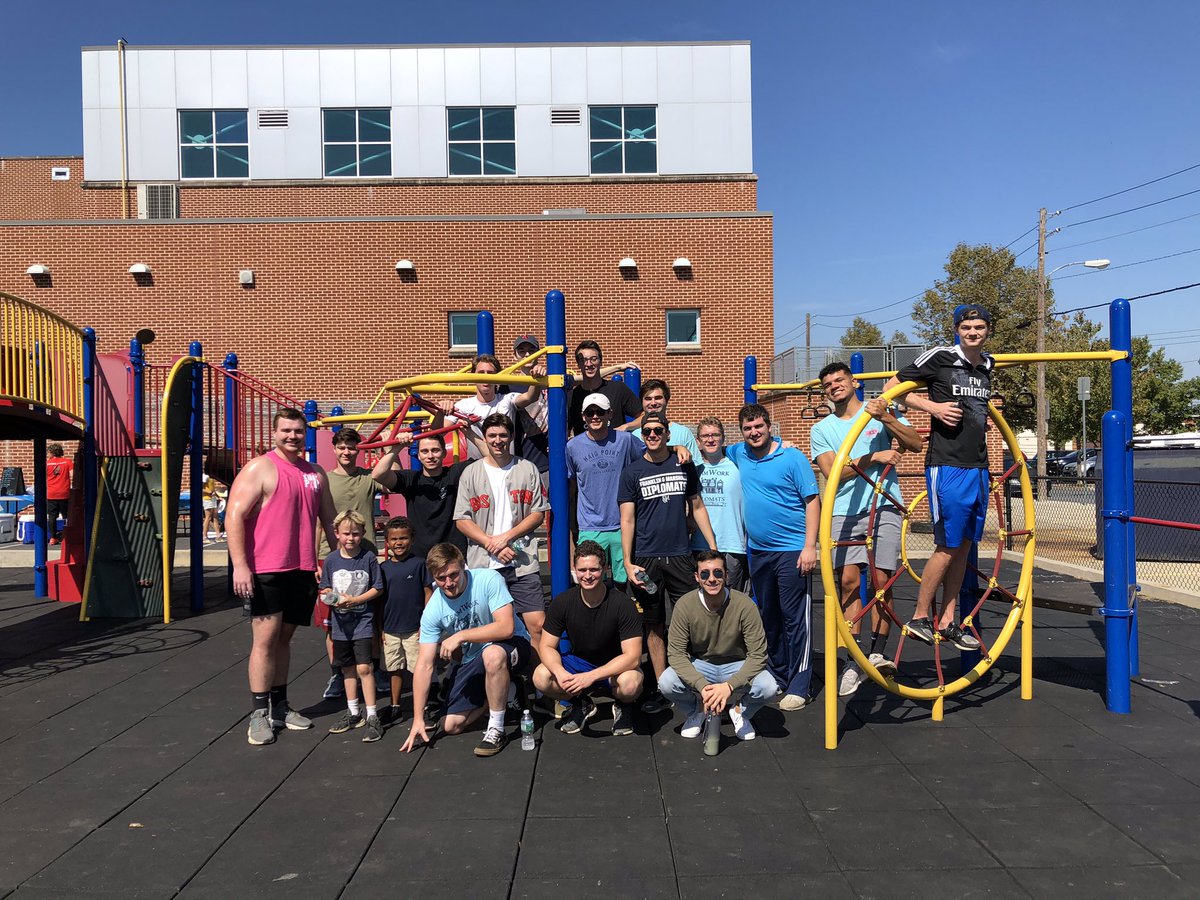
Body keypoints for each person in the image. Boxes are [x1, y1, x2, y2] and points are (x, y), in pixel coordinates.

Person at [883, 305, 993, 652]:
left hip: (977, 465)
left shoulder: (987, 366)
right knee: (947, 544)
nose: (972, 332)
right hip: (947, 464)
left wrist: (983, 419)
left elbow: (976, 407)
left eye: (978, 327)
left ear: (987, 330)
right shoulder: (941, 357)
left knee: (963, 545)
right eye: (966, 326)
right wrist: (931, 407)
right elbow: (893, 389)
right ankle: (919, 616)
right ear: (957, 329)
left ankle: (948, 621)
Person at [810, 362, 923, 697]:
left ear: (853, 381)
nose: (834, 387)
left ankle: (877, 650)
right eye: (828, 384)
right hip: (842, 510)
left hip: (883, 503)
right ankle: (853, 657)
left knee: (880, 578)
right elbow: (834, 472)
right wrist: (874, 456)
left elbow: (915, 443)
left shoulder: (880, 413)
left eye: (839, 380)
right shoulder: (823, 428)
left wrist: (886, 418)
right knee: (846, 581)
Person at [226, 407, 337, 746]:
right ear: (274, 433)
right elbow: (233, 516)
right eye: (286, 431)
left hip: (301, 568)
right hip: (266, 569)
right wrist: (241, 566)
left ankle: (280, 706)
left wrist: (342, 564)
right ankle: (259, 713)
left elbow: (330, 520)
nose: (292, 436)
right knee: (265, 640)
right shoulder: (261, 467)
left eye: (298, 431)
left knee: (285, 640)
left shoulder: (316, 473)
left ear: (306, 434)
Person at [619, 410, 717, 713]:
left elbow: (697, 506)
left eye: (657, 431)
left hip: (679, 555)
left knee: (693, 620)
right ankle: (662, 685)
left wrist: (712, 550)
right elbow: (627, 519)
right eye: (647, 431)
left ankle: (697, 680)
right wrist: (627, 561)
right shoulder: (632, 472)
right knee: (653, 623)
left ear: (667, 433)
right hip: (646, 559)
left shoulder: (684, 464)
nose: (652, 435)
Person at [725, 403, 819, 711]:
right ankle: (778, 675)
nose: (753, 432)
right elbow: (714, 449)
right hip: (759, 551)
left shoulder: (791, 457)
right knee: (769, 617)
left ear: (769, 427)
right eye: (748, 428)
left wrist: (810, 547)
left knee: (795, 619)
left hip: (792, 550)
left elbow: (812, 501)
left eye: (758, 427)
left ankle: (800, 684)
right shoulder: (739, 453)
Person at [400, 543, 534, 757]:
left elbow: (506, 627)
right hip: (474, 657)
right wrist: (418, 718)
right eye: (440, 578)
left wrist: (460, 635)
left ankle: (496, 728)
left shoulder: (488, 579)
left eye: (453, 575)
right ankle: (506, 691)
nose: (448, 583)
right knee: (450, 725)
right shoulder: (434, 608)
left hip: (512, 644)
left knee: (492, 654)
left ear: (464, 566)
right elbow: (424, 664)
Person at [454, 413, 550, 663]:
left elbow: (538, 513)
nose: (498, 440)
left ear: (511, 437)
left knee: (537, 624)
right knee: (488, 628)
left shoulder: (527, 468)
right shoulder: (471, 473)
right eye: (492, 435)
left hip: (521, 561)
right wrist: (490, 543)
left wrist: (505, 539)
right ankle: (496, 688)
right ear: (484, 438)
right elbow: (462, 519)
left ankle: (538, 684)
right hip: (483, 565)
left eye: (503, 435)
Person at [659, 551, 776, 742]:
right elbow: (676, 654)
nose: (711, 579)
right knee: (666, 682)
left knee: (769, 687)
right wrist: (702, 686)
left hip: (736, 664)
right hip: (702, 664)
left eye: (718, 573)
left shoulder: (744, 605)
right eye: (705, 574)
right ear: (697, 577)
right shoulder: (685, 605)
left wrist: (729, 686)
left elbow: (758, 655)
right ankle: (696, 711)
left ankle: (740, 711)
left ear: (727, 575)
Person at [316, 427, 396, 701]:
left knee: (370, 619)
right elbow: (319, 521)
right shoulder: (325, 480)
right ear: (335, 449)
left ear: (358, 450)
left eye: (352, 447)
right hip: (332, 557)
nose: (347, 452)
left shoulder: (368, 477)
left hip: (367, 555)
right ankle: (338, 673)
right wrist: (317, 559)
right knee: (333, 621)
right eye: (342, 447)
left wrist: (390, 448)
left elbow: (390, 480)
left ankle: (375, 668)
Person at [532, 541, 644, 736]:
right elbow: (547, 646)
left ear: (606, 568)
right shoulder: (563, 602)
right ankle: (581, 703)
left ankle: (623, 705)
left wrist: (590, 677)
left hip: (614, 665)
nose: (588, 575)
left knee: (631, 684)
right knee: (541, 677)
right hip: (580, 662)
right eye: (582, 570)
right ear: (575, 570)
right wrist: (560, 673)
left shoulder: (622, 603)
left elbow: (633, 656)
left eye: (594, 569)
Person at [565, 392, 646, 589]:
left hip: (621, 525)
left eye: (600, 412)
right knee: (591, 581)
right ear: (583, 416)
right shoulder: (573, 446)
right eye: (590, 412)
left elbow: (652, 454)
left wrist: (676, 448)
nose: (595, 416)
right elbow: (571, 483)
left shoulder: (625, 440)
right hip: (590, 525)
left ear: (610, 414)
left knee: (622, 582)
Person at [319, 510, 386, 742]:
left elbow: (378, 587)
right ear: (337, 534)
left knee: (365, 668)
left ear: (363, 534)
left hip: (362, 622)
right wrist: (329, 595)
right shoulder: (331, 560)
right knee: (347, 668)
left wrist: (355, 600)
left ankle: (372, 714)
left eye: (356, 534)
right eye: (346, 534)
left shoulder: (368, 558)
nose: (351, 538)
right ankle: (353, 711)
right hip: (340, 625)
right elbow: (326, 588)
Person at [371, 432, 468, 561]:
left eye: (435, 450)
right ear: (419, 455)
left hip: (452, 554)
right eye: (425, 451)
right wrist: (397, 447)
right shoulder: (411, 479)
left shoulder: (454, 474)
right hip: (421, 556)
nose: (430, 456)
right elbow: (378, 474)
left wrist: (468, 430)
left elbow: (490, 458)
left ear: (444, 453)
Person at [379, 516, 432, 725]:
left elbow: (428, 592)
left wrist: (424, 624)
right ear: (387, 542)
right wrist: (380, 628)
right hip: (390, 629)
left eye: (403, 538)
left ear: (412, 539)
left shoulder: (419, 564)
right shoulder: (382, 569)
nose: (399, 543)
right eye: (394, 539)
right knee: (394, 668)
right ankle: (395, 707)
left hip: (414, 629)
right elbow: (379, 601)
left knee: (418, 668)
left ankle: (423, 708)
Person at [690, 417, 749, 593]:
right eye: (705, 436)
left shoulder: (737, 464)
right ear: (698, 441)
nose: (711, 439)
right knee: (703, 598)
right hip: (700, 545)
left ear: (723, 438)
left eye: (715, 435)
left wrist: (782, 442)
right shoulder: (693, 468)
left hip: (732, 544)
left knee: (732, 597)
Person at [451, 353, 542, 460]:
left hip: (507, 469)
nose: (485, 377)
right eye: (481, 373)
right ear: (473, 376)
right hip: (478, 469)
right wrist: (442, 411)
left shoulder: (506, 400)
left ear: (497, 376)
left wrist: (537, 379)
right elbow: (438, 431)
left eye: (490, 373)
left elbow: (530, 397)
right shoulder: (463, 406)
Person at [567, 340, 642, 436]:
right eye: (583, 360)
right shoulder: (572, 396)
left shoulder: (618, 389)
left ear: (601, 361)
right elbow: (565, 431)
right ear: (578, 364)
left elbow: (643, 416)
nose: (589, 364)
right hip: (586, 450)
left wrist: (626, 427)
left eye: (594, 359)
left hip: (615, 449)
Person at [510, 333, 551, 487]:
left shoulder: (551, 380)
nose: (527, 355)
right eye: (522, 351)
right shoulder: (507, 385)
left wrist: (617, 367)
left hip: (548, 459)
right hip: (521, 459)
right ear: (515, 356)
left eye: (531, 351)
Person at [632, 379, 699, 459]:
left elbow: (696, 468)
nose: (653, 403)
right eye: (648, 399)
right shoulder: (634, 436)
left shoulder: (683, 433)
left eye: (658, 398)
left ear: (666, 400)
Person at [45, 443, 73, 546]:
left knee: (52, 516)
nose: (47, 454)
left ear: (52, 453)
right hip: (65, 493)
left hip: (51, 493)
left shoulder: (47, 464)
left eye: (48, 452)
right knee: (67, 515)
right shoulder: (68, 462)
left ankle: (53, 538)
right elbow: (72, 475)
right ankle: (68, 536)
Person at [200, 470, 226, 544]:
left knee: (215, 517)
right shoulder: (205, 477)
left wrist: (218, 497)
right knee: (208, 517)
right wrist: (209, 492)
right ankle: (204, 536)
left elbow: (212, 488)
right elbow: (201, 488)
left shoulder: (211, 477)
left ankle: (218, 536)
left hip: (213, 498)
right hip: (207, 499)